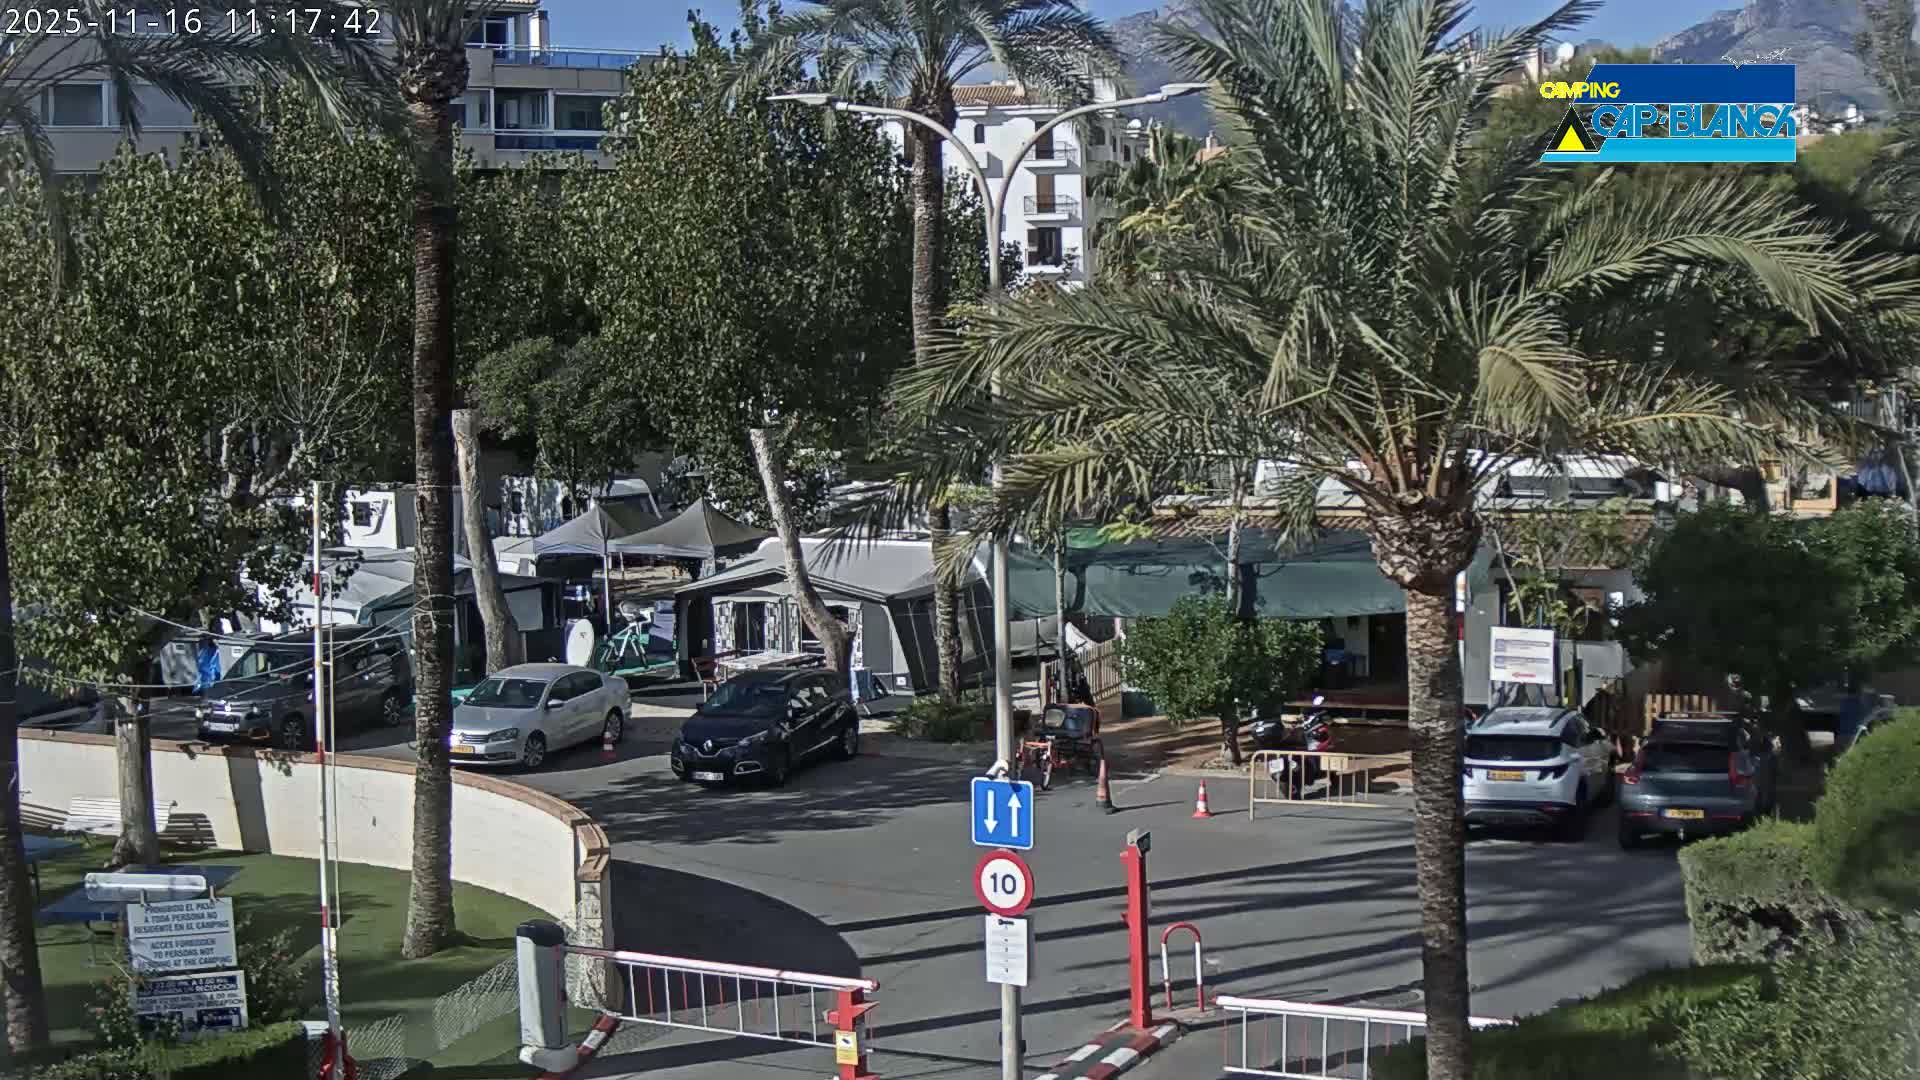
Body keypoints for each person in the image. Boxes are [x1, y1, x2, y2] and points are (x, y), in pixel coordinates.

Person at [1835, 675, 1868, 754]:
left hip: (1842, 735)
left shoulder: (1844, 703)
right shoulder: (1859, 704)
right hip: (1853, 736)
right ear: (1858, 692)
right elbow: (1864, 719)